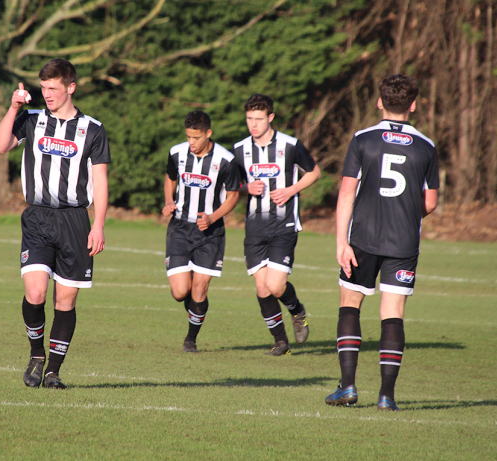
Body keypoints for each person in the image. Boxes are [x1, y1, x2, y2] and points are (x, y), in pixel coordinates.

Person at [0, 59, 110, 389]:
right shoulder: (30, 119)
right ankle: (36, 355)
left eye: (53, 89)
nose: (47, 94)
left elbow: (100, 182)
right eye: (43, 88)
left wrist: (98, 224)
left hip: (75, 220)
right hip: (38, 218)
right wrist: (13, 107)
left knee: (66, 301)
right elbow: (0, 146)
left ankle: (54, 371)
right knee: (35, 292)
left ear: (70, 88)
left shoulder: (93, 129)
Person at [325, 74, 439, 411]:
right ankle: (387, 396)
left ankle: (347, 387)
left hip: (363, 237)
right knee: (393, 313)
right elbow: (430, 203)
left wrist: (341, 242)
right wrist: (404, 213)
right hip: (403, 241)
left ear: (380, 102)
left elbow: (346, 192)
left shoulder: (363, 139)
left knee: (350, 303)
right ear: (413, 105)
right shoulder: (427, 146)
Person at [232, 94, 321, 356]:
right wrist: (247, 187)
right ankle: (280, 341)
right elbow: (230, 185)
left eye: (258, 119)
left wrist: (291, 189)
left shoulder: (290, 145)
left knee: (276, 286)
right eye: (249, 119)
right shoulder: (239, 150)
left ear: (270, 117)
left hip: (284, 224)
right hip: (255, 227)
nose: (253, 124)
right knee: (262, 287)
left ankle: (297, 311)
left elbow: (314, 172)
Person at [163, 110, 241, 353]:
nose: (191, 143)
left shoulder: (226, 160)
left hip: (210, 232)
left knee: (200, 287)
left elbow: (233, 195)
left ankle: (191, 339)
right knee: (179, 292)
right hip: (179, 227)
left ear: (209, 133)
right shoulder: (176, 153)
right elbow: (170, 178)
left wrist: (213, 217)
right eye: (188, 137)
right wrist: (169, 201)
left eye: (196, 137)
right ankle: (195, 310)